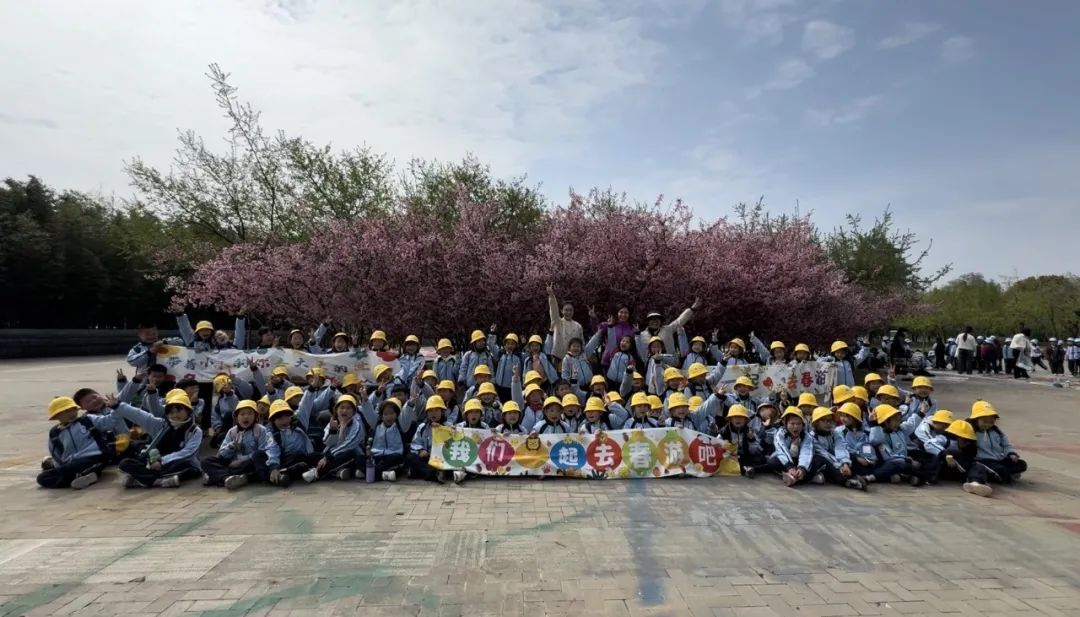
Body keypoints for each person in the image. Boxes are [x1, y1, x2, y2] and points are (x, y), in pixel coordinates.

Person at [111, 390, 204, 488]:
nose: (175, 415)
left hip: (175, 463)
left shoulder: (195, 431)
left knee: (186, 468)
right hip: (153, 463)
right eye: (171, 412)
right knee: (125, 464)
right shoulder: (160, 424)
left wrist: (162, 461)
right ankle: (158, 481)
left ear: (188, 411)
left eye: (179, 411)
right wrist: (118, 406)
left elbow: (188, 452)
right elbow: (139, 415)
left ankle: (141, 480)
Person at [37, 396, 124, 489]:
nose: (71, 413)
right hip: (71, 463)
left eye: (73, 409)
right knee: (42, 478)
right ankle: (82, 476)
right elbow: (56, 454)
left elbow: (109, 421)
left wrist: (116, 407)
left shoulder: (87, 420)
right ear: (56, 416)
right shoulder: (55, 433)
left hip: (95, 457)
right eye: (66, 411)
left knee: (85, 464)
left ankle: (81, 476)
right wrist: (60, 467)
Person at [201, 400, 268, 489]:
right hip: (231, 463)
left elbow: (263, 451)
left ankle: (215, 477)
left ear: (255, 416)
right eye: (242, 414)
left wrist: (241, 460)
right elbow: (221, 453)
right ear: (236, 417)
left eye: (250, 413)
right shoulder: (232, 431)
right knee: (206, 461)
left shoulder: (261, 430)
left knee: (257, 459)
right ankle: (226, 478)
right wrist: (231, 447)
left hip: (248, 463)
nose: (246, 417)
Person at [256, 400, 316, 488]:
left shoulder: (299, 423)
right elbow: (273, 450)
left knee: (307, 457)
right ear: (273, 420)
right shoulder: (272, 433)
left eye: (287, 416)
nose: (284, 421)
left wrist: (311, 389)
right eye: (280, 418)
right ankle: (275, 476)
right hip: (281, 460)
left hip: (299, 457)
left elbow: (305, 404)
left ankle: (280, 475)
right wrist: (274, 468)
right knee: (257, 455)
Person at [637, 298, 703, 359]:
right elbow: (640, 351)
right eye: (652, 320)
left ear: (661, 321)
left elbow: (679, 321)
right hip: (651, 366)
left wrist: (692, 309)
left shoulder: (667, 329)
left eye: (657, 319)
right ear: (648, 322)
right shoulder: (642, 335)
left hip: (669, 364)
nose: (655, 322)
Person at [546, 284, 584, 359]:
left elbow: (581, 343)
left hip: (573, 358)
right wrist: (552, 296)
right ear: (561, 311)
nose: (568, 312)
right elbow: (553, 310)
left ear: (573, 311)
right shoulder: (558, 322)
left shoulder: (578, 326)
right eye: (566, 310)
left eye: (570, 310)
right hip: (557, 358)